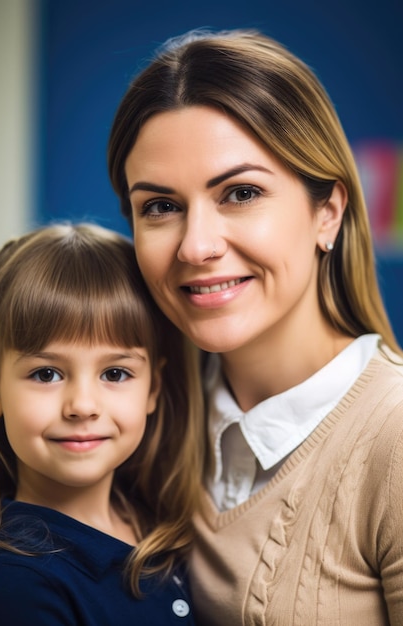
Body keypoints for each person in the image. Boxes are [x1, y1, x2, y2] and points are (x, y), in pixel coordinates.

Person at [107, 28, 403, 625]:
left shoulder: (392, 439)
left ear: (328, 212)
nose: (196, 246)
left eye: (240, 193)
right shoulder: (130, 415)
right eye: (160, 206)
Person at [0, 222, 203, 625]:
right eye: (46, 374)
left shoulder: (155, 521)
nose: (82, 406)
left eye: (116, 374)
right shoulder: (16, 584)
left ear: (153, 387)